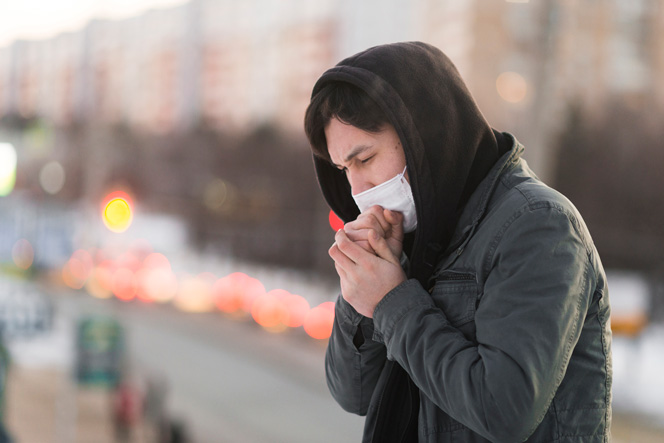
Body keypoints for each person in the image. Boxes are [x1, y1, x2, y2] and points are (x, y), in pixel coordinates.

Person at [304, 42, 612, 442]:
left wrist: (391, 301)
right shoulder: (413, 234)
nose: (357, 188)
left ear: (423, 135)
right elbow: (354, 393)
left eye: (364, 159)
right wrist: (361, 296)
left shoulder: (537, 224)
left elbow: (504, 411)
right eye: (344, 169)